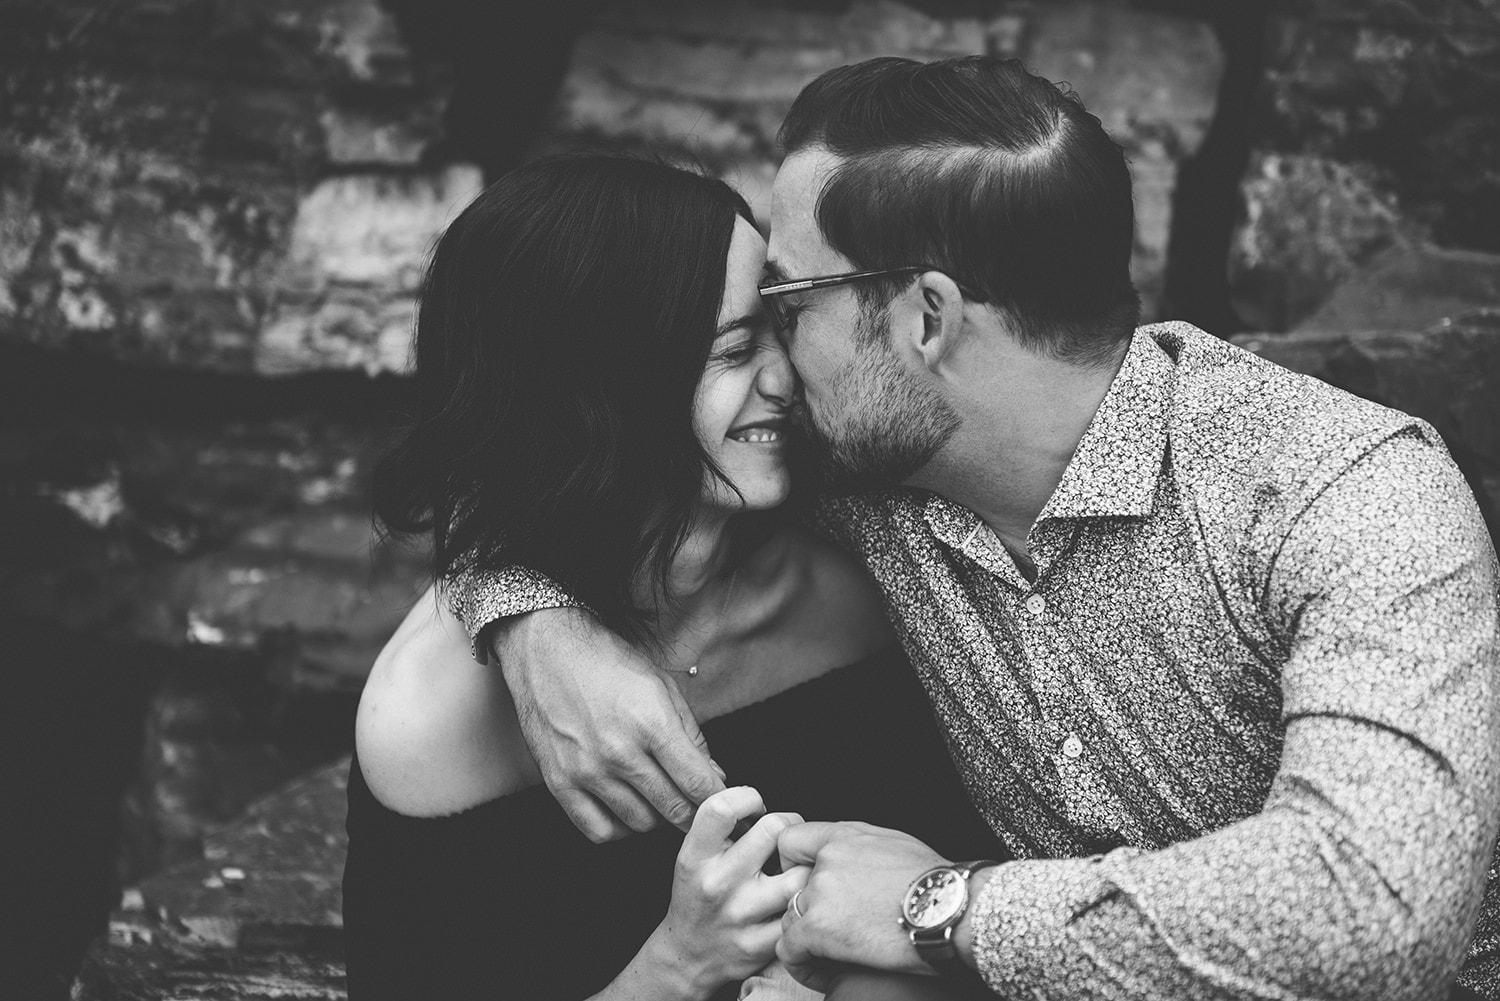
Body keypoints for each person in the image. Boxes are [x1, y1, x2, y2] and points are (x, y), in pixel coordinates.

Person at [443, 57, 1500, 1000]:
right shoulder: (864, 456)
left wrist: (943, 909)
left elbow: (1379, 916)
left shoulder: (1348, 496)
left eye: (791, 303)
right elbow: (574, 439)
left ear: (927, 319)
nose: (774, 355)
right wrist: (534, 617)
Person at [341, 153, 1004, 1001]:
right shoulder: (432, 720)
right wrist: (679, 966)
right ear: (602, 388)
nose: (786, 379)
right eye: (734, 350)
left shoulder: (860, 585)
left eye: (783, 327)